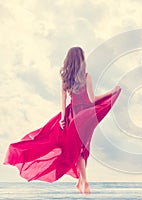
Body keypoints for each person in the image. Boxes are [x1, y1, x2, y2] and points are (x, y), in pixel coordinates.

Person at [3, 47, 121, 194]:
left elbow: (63, 99)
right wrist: (111, 92)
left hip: (72, 116)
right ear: (81, 60)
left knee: (77, 147)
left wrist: (63, 119)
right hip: (84, 116)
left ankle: (82, 181)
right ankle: (83, 182)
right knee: (80, 147)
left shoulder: (66, 77)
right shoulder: (86, 76)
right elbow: (91, 100)